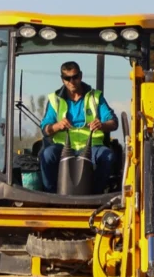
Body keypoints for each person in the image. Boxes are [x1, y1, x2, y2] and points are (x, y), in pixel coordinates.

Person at [38, 61, 118, 194]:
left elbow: (113, 123)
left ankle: (95, 195)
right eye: (67, 78)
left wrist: (101, 125)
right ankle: (51, 196)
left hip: (92, 146)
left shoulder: (96, 97)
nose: (72, 81)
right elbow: (45, 129)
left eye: (75, 77)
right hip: (63, 147)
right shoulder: (55, 99)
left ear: (81, 76)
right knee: (47, 155)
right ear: (62, 79)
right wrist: (58, 126)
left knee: (108, 156)